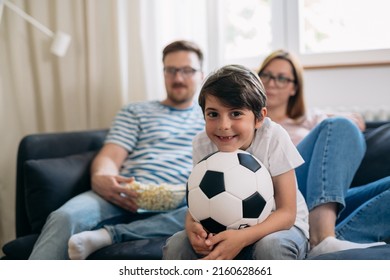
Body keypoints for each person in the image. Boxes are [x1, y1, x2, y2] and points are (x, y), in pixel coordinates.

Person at [28, 40, 205, 259]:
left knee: (202, 214)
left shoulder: (211, 117)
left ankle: (110, 235)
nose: (178, 78)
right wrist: (102, 176)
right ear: (163, 72)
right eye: (171, 70)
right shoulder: (136, 111)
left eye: (187, 71)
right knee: (64, 217)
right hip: (125, 193)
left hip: (181, 201)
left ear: (201, 75)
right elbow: (110, 156)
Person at [163, 64, 310, 260]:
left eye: (236, 113)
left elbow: (287, 213)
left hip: (280, 228)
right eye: (213, 114)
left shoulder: (273, 137)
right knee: (176, 244)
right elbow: (198, 200)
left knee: (270, 247)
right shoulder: (202, 144)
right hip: (222, 229)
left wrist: (242, 238)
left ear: (259, 118)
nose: (223, 126)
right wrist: (192, 227)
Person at [257, 49, 389, 258]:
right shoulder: (249, 121)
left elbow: (355, 124)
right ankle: (322, 237)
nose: (272, 83)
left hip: (318, 196)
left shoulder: (311, 118)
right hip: (283, 188)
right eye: (267, 75)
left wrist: (335, 120)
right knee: (338, 124)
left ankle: (331, 241)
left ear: (294, 88)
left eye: (281, 78)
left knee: (341, 125)